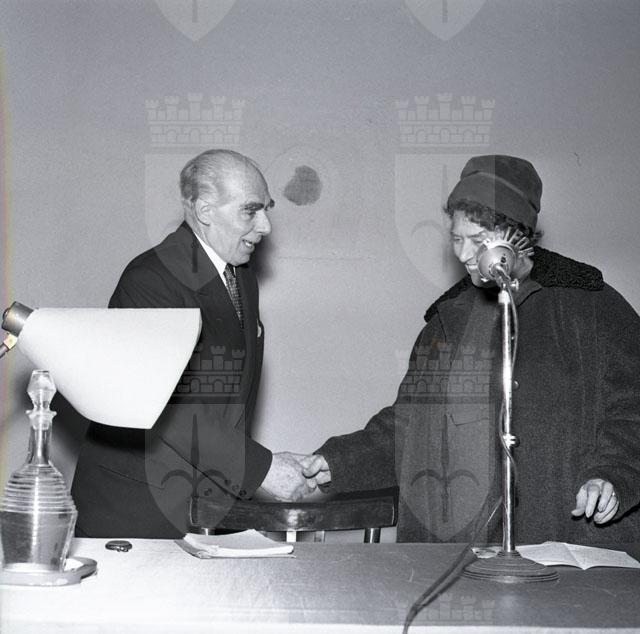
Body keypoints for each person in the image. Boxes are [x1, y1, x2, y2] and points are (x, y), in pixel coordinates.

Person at [300, 155, 640, 544]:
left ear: (517, 237)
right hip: (466, 549)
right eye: (457, 239)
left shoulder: (594, 308)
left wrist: (614, 476)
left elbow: (633, 411)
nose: (463, 255)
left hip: (573, 544)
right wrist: (337, 462)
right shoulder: (446, 323)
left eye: (477, 241)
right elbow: (409, 427)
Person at [71, 149, 311, 538]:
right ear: (204, 211)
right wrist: (260, 468)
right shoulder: (150, 279)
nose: (265, 226)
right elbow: (165, 405)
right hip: (135, 511)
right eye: (250, 211)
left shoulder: (240, 276)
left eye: (266, 210)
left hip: (203, 508)